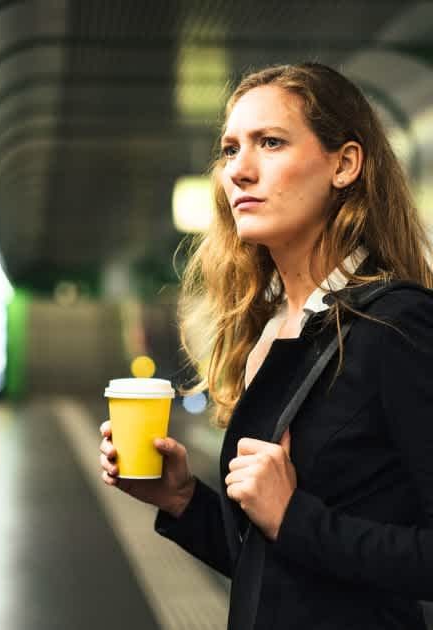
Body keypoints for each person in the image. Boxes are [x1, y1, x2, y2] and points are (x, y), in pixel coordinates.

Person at [98, 61, 433, 628]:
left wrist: (296, 519)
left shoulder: (396, 324)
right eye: (230, 150)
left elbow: (297, 533)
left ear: (345, 164)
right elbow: (269, 568)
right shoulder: (272, 332)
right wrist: (180, 499)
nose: (239, 172)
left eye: (270, 143)